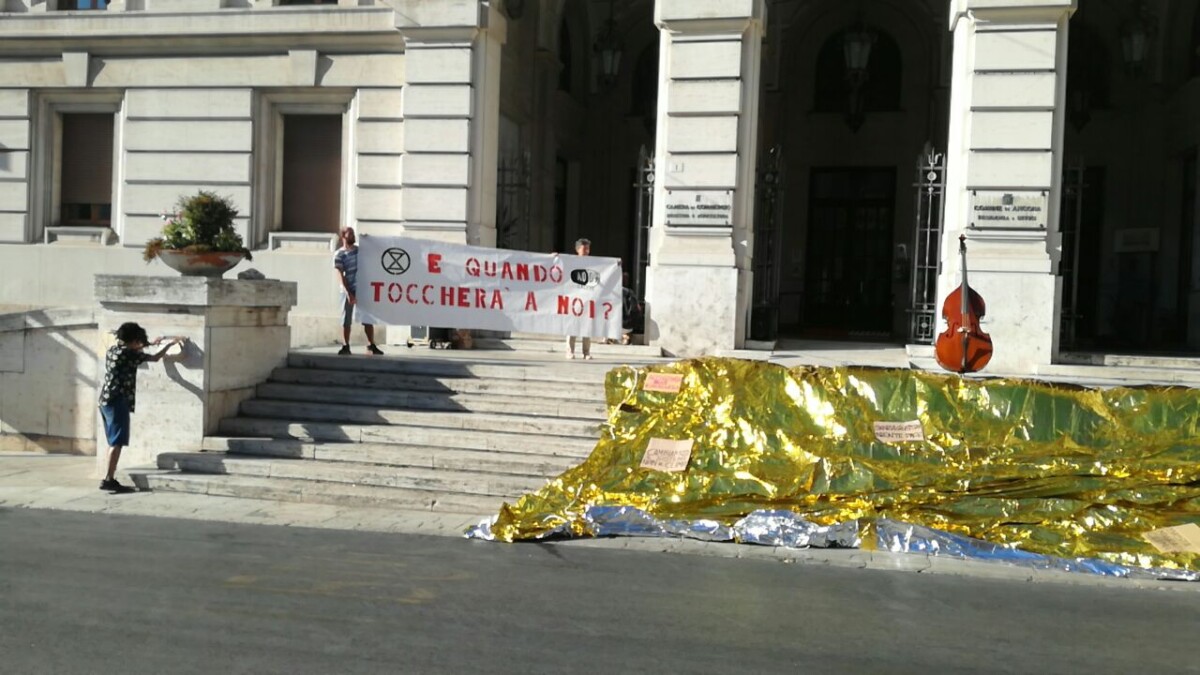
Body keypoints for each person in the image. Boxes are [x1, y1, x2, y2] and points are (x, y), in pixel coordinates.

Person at [97, 323, 184, 494]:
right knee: (117, 442)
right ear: (134, 340)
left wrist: (151, 343)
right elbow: (154, 358)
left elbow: (136, 349)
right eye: (139, 340)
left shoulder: (114, 350)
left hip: (105, 400)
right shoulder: (129, 354)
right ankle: (108, 479)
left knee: (113, 441)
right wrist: (168, 345)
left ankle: (109, 477)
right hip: (118, 401)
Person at [334, 226, 384, 356]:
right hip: (347, 289)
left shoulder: (359, 250)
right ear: (343, 236)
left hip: (362, 288)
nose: (353, 236)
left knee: (367, 318)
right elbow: (340, 274)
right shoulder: (339, 254)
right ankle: (345, 345)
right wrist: (348, 292)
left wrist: (369, 240)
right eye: (350, 234)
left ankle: (370, 345)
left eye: (353, 234)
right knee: (346, 319)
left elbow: (374, 252)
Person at [565, 237, 593, 360]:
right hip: (574, 298)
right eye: (584, 248)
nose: (586, 251)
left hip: (588, 298)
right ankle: (569, 351)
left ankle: (586, 352)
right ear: (577, 249)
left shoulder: (594, 263)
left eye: (588, 248)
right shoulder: (571, 261)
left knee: (587, 326)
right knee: (572, 326)